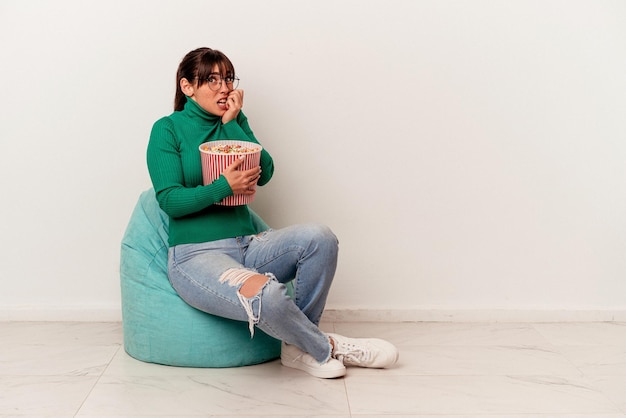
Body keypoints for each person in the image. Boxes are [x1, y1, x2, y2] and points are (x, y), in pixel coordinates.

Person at [146, 47, 398, 378]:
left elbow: (265, 171)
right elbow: (170, 200)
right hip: (196, 256)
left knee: (319, 238)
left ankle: (297, 349)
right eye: (212, 79)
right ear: (187, 87)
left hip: (247, 246)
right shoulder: (167, 129)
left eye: (228, 79)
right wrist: (224, 186)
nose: (224, 88)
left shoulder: (234, 121)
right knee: (269, 295)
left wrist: (234, 123)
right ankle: (325, 347)